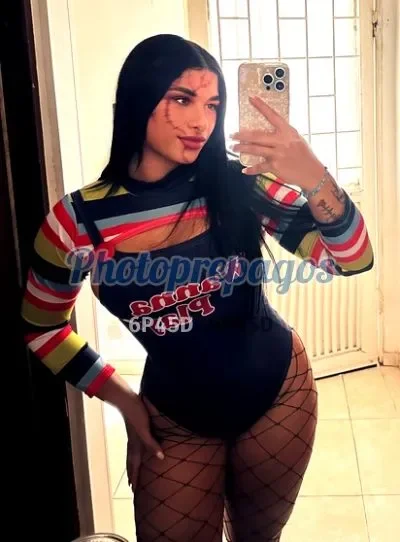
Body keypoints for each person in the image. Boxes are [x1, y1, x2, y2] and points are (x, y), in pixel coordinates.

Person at [21, 34, 374, 541]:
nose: (200, 122)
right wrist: (123, 400)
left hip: (279, 394)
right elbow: (43, 327)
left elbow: (352, 259)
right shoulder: (77, 221)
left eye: (212, 105)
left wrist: (311, 173)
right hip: (175, 418)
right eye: (182, 99)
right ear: (138, 98)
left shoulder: (239, 184)